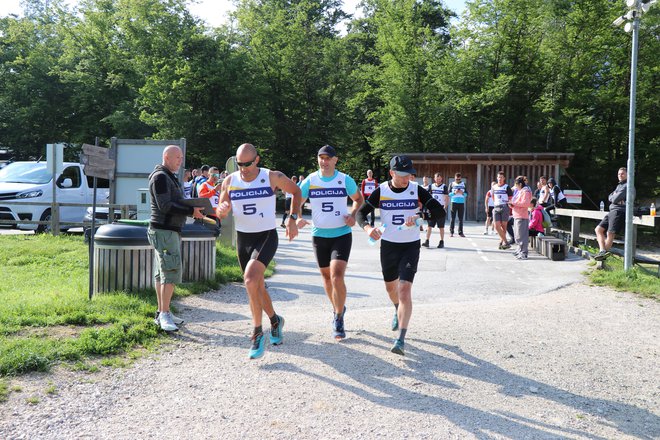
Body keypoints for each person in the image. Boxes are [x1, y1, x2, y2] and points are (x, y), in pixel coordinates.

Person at [215, 143, 301, 359]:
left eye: (247, 164)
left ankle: (256, 333)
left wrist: (291, 219)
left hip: (266, 236)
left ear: (257, 160)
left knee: (251, 280)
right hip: (243, 239)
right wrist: (221, 210)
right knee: (256, 286)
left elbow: (296, 192)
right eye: (239, 163)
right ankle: (275, 320)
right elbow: (221, 210)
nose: (243, 168)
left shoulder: (272, 176)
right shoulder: (230, 181)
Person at [357, 155, 444, 356]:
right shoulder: (382, 191)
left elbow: (439, 212)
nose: (407, 178)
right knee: (391, 288)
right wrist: (369, 228)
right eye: (403, 175)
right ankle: (396, 307)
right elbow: (361, 214)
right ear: (392, 173)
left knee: (404, 289)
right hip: (388, 246)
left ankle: (401, 339)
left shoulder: (416, 190)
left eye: (410, 174)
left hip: (410, 246)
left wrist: (421, 217)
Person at [295, 145, 363, 340]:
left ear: (335, 160)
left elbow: (359, 199)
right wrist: (297, 217)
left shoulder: (344, 180)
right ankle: (337, 308)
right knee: (326, 278)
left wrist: (352, 214)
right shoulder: (311, 180)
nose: (324, 161)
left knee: (336, 275)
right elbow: (296, 199)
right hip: (319, 236)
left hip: (341, 234)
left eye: (328, 158)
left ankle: (339, 318)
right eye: (321, 158)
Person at [147, 146, 205, 332]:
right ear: (166, 157)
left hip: (166, 231)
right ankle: (164, 315)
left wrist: (192, 207)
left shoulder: (168, 175)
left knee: (162, 273)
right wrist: (190, 211)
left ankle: (163, 311)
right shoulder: (161, 177)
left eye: (181, 157)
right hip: (165, 231)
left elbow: (174, 201)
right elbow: (165, 206)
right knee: (170, 272)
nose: (180, 161)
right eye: (177, 157)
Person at [594, 167, 631, 261]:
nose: (620, 175)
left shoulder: (628, 185)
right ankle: (602, 251)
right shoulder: (619, 186)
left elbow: (613, 199)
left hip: (619, 211)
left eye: (622, 173)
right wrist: (615, 197)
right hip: (612, 211)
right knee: (598, 229)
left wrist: (615, 197)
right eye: (619, 174)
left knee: (610, 233)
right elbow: (610, 197)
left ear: (627, 174)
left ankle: (602, 256)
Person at [422, 172, 448, 248]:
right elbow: (428, 197)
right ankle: (427, 241)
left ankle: (442, 241)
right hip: (432, 208)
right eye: (437, 178)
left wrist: (445, 207)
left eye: (439, 178)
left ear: (441, 179)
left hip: (440, 208)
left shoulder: (444, 187)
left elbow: (446, 198)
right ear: (434, 178)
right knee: (429, 226)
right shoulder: (431, 186)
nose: (438, 179)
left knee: (441, 227)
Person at [509, 176, 532, 259]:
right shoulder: (520, 191)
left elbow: (525, 204)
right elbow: (517, 202)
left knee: (522, 236)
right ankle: (519, 250)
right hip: (517, 215)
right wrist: (512, 205)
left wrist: (514, 203)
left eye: (516, 184)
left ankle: (524, 253)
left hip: (522, 216)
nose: (516, 186)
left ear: (520, 184)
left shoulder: (526, 191)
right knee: (517, 235)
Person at [491, 171, 513, 249]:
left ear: (504, 178)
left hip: (505, 207)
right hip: (496, 207)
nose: (500, 179)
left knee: (504, 226)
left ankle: (501, 241)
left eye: (501, 177)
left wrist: (509, 206)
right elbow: (493, 197)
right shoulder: (494, 187)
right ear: (497, 178)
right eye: (498, 177)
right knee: (497, 226)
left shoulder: (507, 187)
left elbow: (510, 198)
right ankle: (506, 242)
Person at [198, 166, 222, 233]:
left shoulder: (216, 187)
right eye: (213, 175)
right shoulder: (204, 185)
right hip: (208, 215)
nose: (215, 177)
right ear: (208, 175)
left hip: (217, 216)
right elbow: (202, 198)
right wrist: (214, 190)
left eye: (217, 175)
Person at [448, 172, 467, 237]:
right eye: (456, 179)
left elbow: (466, 194)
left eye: (459, 179)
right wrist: (454, 193)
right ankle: (451, 232)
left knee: (460, 219)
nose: (458, 180)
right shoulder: (452, 184)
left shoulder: (464, 184)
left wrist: (462, 193)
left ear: (461, 178)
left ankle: (460, 232)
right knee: (452, 218)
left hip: (461, 203)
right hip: (454, 202)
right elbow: (448, 194)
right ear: (454, 178)